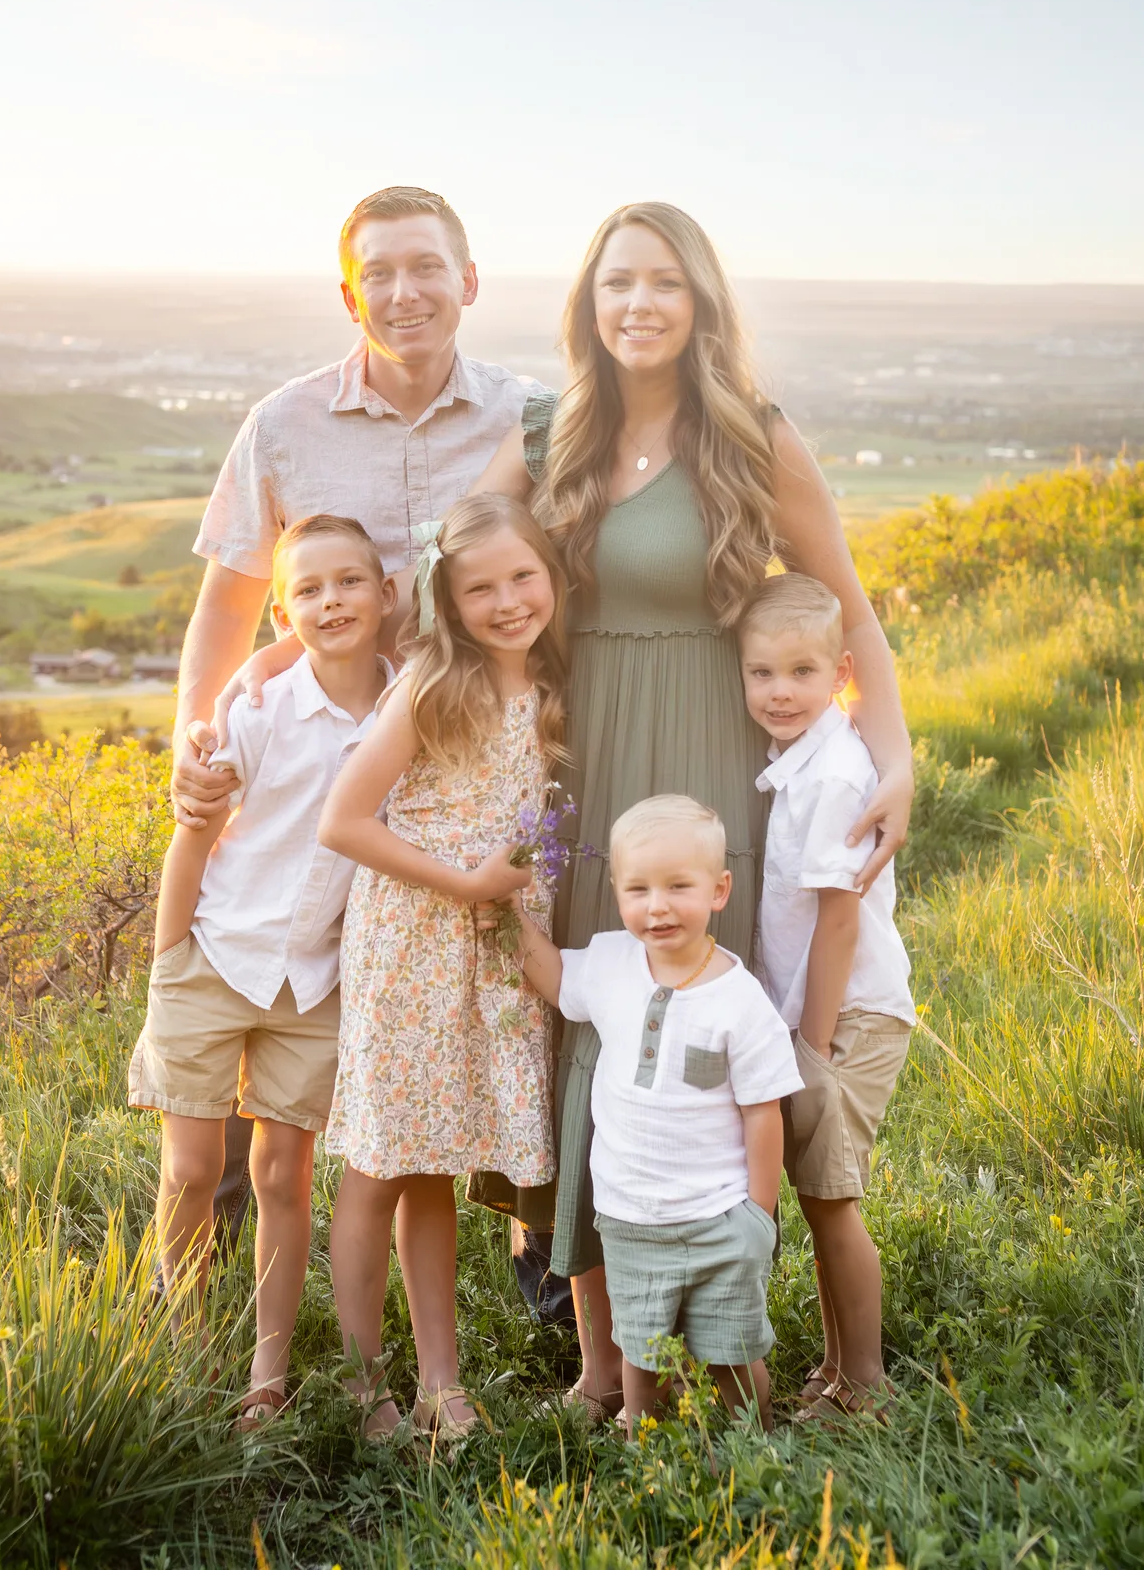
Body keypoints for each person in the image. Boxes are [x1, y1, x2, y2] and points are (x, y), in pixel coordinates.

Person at [476, 201, 914, 1421]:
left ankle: (729, 1330)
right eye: (617, 282)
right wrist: (280, 662)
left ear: (700, 301)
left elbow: (851, 608)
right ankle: (600, 1363)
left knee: (699, 1009)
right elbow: (450, 561)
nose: (638, 305)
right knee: (591, 1019)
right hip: (584, 756)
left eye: (664, 282)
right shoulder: (545, 429)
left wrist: (897, 758)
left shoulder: (751, 435)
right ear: (587, 302)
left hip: (712, 766)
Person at [169, 185, 544, 1237]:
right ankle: (231, 1288)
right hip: (327, 764)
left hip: (483, 762)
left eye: (425, 266)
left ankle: (538, 1261)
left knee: (511, 995)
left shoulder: (532, 415)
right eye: (377, 272)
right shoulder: (284, 424)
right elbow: (232, 600)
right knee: (279, 972)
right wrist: (193, 739)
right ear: (349, 294)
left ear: (467, 282)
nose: (403, 290)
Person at [129, 514, 395, 1429]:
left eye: (349, 582)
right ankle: (184, 1352)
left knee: (285, 1176)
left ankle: (264, 1376)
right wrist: (168, 962)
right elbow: (194, 829)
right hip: (212, 957)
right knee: (191, 1170)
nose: (331, 603)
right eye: (309, 590)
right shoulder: (259, 707)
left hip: (315, 980)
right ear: (282, 612)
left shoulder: (406, 712)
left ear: (386, 594)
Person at [316, 493, 567, 1443]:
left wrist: (494, 898)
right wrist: (464, 884)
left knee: (438, 1163)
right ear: (445, 600)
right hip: (413, 944)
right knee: (381, 1162)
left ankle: (441, 1384)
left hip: (496, 949)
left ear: (551, 577)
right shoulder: (431, 684)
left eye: (522, 577)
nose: (506, 601)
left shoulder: (552, 682)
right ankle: (360, 1385)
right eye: (480, 588)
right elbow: (343, 820)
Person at [505, 794, 802, 1430]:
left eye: (678, 886)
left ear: (719, 890)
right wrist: (509, 913)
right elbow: (555, 977)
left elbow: (763, 1113)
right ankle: (643, 1436)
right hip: (629, 1215)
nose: (657, 905)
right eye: (637, 888)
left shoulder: (739, 1000)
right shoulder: (612, 961)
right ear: (616, 892)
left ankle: (759, 1440)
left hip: (718, 1217)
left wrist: (759, 1216)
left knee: (732, 1351)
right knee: (638, 1348)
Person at [738, 572, 915, 1421]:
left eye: (801, 673)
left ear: (841, 671)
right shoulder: (793, 759)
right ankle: (838, 1370)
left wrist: (807, 1046)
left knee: (834, 1206)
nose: (778, 691)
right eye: (760, 673)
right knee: (816, 1198)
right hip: (821, 1013)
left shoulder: (833, 775)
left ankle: (866, 1386)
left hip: (842, 1016)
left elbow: (837, 924)